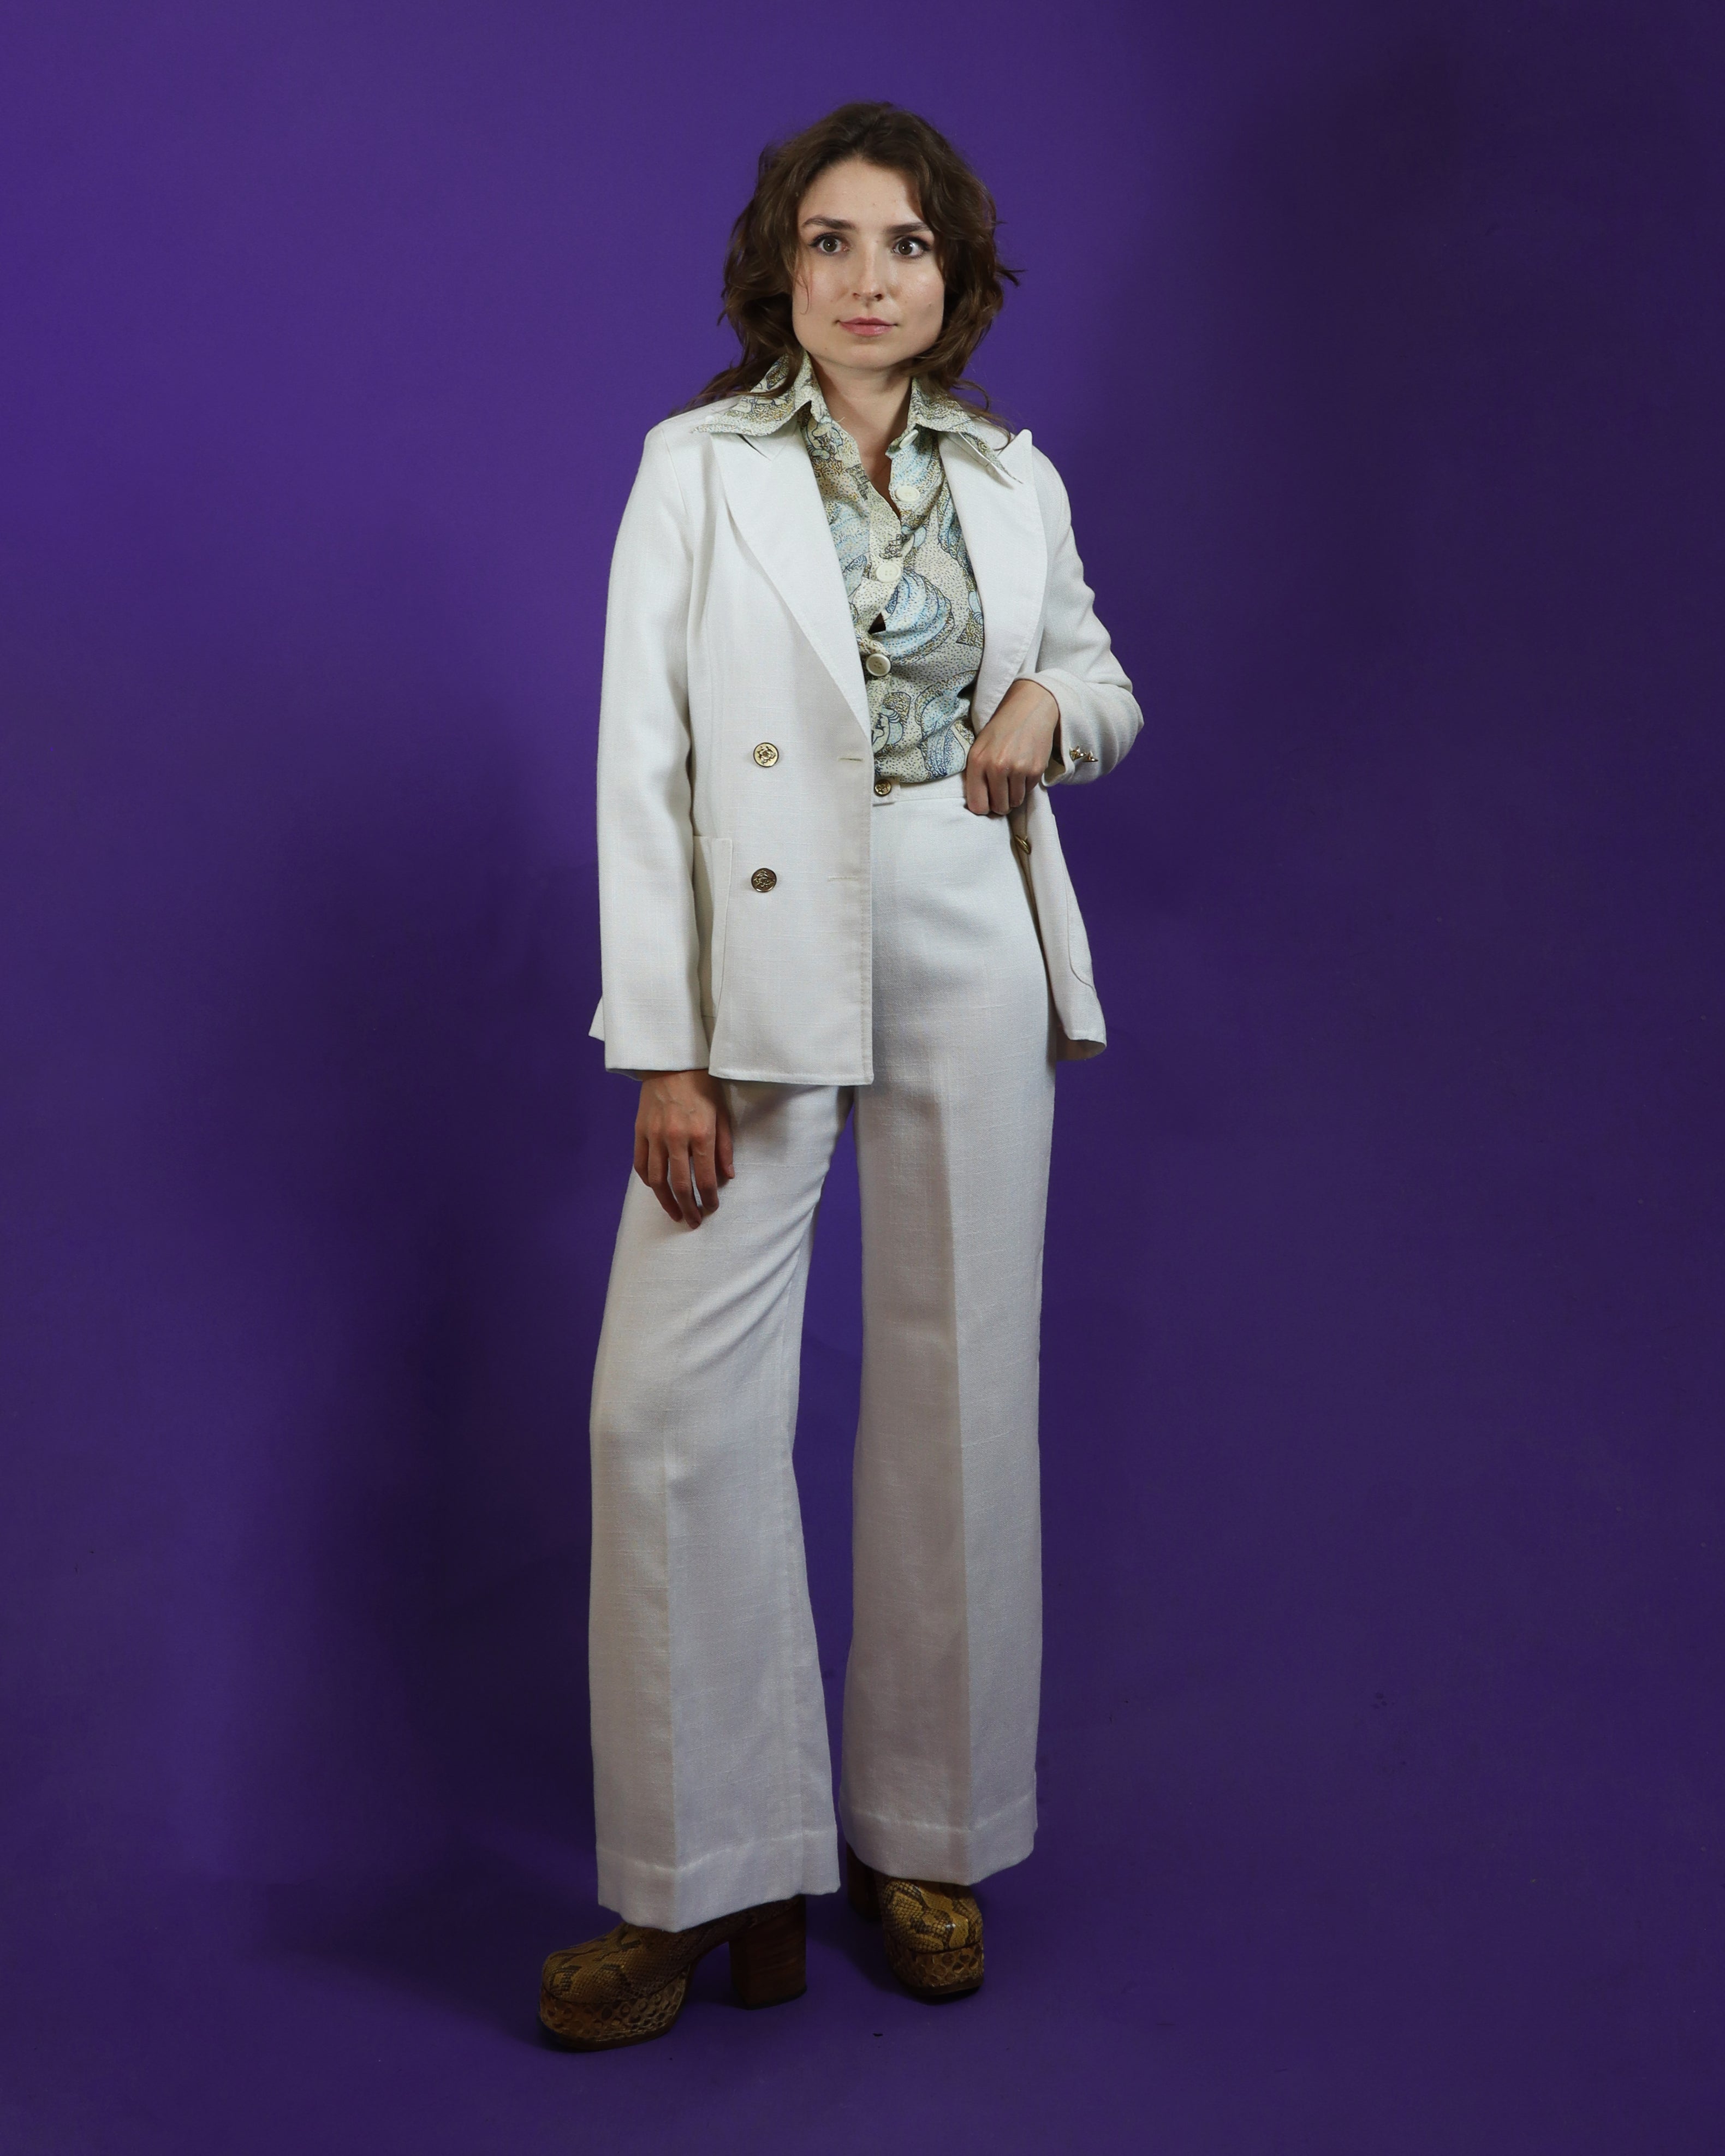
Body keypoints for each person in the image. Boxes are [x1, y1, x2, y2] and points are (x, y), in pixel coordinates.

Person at [539, 100, 1141, 2052]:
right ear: (778, 271)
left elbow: (1101, 681)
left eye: (905, 244)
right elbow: (644, 770)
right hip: (762, 958)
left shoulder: (1013, 479)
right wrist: (668, 1044)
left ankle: (924, 1839)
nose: (867, 277)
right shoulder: (698, 467)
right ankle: (705, 1876)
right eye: (829, 241)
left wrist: (1047, 705)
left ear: (952, 277)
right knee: (669, 1410)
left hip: (969, 915)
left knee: (963, 1386)